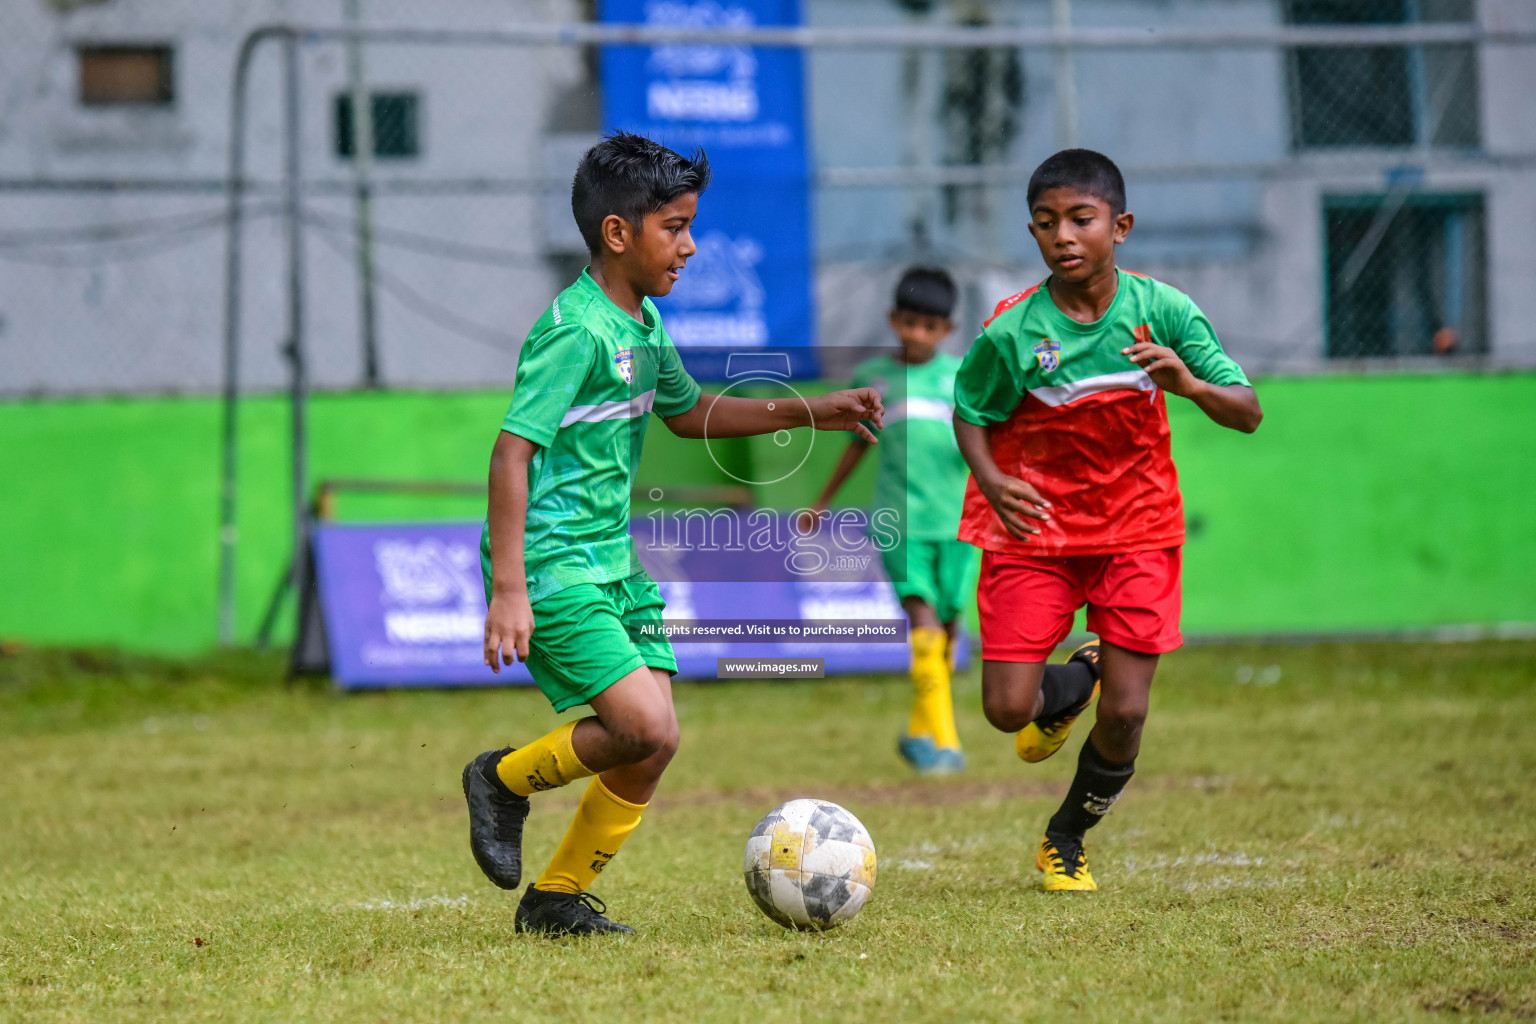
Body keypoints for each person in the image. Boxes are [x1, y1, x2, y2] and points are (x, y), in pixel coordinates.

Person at [463, 132, 885, 935]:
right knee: (643, 725)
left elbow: (690, 414)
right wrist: (510, 588)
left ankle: (554, 901)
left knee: (653, 745)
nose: (690, 246)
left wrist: (815, 409)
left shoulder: (643, 324)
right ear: (618, 233)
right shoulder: (576, 331)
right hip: (554, 566)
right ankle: (502, 781)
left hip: (615, 564)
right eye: (676, 227)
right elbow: (510, 453)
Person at [951, 149, 1262, 892]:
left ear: (1118, 227)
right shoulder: (1013, 331)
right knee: (1005, 713)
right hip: (1037, 534)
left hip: (1137, 530)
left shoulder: (1163, 312)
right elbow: (970, 412)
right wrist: (991, 480)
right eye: (1047, 223)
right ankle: (1076, 676)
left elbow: (1246, 412)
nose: (1064, 235)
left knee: (1126, 716)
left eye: (1080, 219)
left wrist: (1186, 383)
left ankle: (1066, 837)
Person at [805, 267, 979, 775]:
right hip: (899, 520)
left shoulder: (961, 377)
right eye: (909, 323)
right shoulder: (875, 379)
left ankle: (920, 731)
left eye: (929, 326)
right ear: (892, 320)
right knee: (921, 615)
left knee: (948, 625)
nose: (917, 334)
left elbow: (984, 441)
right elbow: (857, 444)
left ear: (947, 329)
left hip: (958, 520)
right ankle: (946, 744)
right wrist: (822, 501)